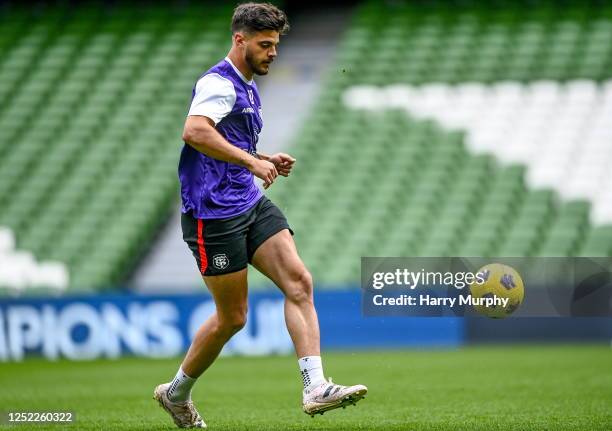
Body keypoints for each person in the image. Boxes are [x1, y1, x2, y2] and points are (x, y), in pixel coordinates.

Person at [154, 2, 367, 428]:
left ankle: (315, 387)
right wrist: (252, 163)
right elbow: (195, 132)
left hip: (248, 202)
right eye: (264, 44)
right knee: (234, 317)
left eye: (275, 45)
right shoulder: (219, 83)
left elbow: (223, 141)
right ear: (240, 39)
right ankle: (175, 393)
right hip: (213, 215)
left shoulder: (248, 86)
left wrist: (261, 157)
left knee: (299, 282)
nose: (272, 52)